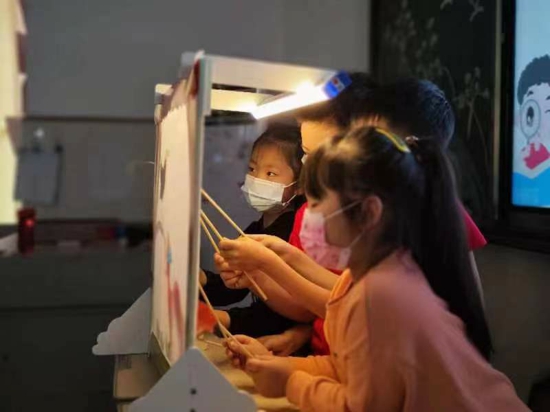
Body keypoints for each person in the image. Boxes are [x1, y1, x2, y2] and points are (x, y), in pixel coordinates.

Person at [224, 127, 528, 412]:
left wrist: (290, 383)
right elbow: (350, 368)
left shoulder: (380, 292)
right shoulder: (369, 277)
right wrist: (283, 366)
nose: (307, 217)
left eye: (317, 204)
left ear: (369, 212)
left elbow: (362, 406)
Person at [216, 77, 488, 356]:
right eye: (307, 154)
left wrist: (271, 264)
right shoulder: (343, 216)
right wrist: (277, 264)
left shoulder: (423, 218)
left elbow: (357, 306)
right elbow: (342, 296)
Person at [200, 124, 313, 345]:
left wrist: (225, 319)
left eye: (270, 173)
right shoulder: (255, 230)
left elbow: (285, 313)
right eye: (252, 169)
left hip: (288, 346)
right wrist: (200, 279)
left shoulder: (294, 234)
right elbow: (233, 288)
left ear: (299, 185)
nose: (256, 179)